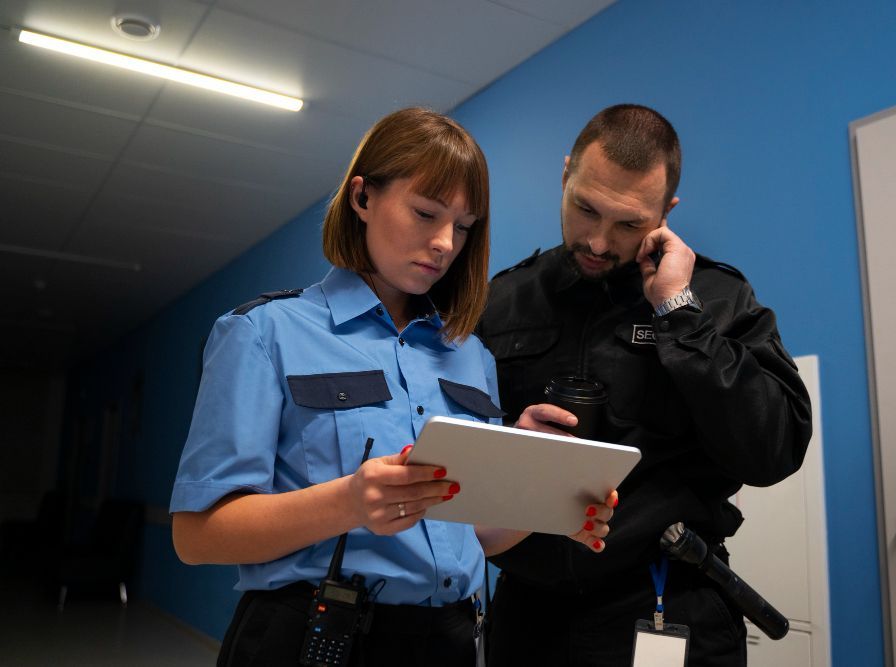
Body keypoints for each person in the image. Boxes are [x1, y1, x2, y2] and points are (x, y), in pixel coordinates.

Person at [169, 107, 614, 667]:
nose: (445, 243)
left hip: (452, 642)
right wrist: (349, 501)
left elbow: (475, 534)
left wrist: (548, 502)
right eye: (426, 213)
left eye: (464, 226)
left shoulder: (470, 356)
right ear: (362, 198)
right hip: (314, 637)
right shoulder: (264, 333)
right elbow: (197, 535)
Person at [476, 104, 812, 666]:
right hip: (526, 616)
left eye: (629, 224)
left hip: (666, 603)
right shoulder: (503, 298)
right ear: (565, 176)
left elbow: (775, 449)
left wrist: (679, 314)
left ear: (666, 211)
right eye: (585, 209)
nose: (601, 243)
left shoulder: (714, 295)